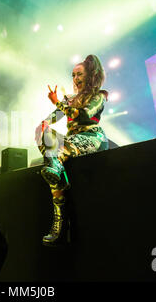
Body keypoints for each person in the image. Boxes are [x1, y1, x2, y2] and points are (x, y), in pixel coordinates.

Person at [35, 54, 109, 246]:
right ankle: (60, 219)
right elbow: (49, 121)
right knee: (44, 132)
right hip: (69, 143)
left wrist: (58, 102)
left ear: (91, 75)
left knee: (53, 159)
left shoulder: (99, 96)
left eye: (79, 74)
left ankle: (59, 222)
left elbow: (84, 116)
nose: (75, 79)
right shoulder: (69, 100)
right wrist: (43, 127)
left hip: (93, 138)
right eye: (73, 75)